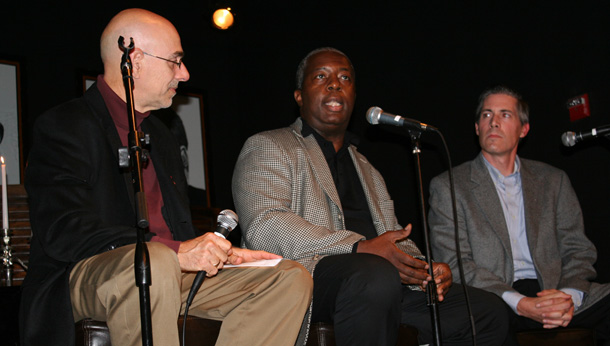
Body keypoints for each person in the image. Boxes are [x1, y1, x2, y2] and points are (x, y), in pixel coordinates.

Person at [19, 8, 312, 346]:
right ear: (136, 59)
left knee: (289, 278)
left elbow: (178, 236)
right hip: (87, 274)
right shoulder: (65, 125)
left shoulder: (161, 136)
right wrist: (174, 252)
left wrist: (220, 254)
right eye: (176, 60)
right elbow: (64, 231)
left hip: (168, 268)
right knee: (153, 262)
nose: (185, 74)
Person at [232, 47, 510, 346]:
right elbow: (264, 226)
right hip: (305, 279)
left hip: (380, 287)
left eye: (345, 78)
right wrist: (358, 247)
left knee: (487, 311)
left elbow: (392, 238)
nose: (335, 83)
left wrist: (422, 269)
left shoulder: (367, 168)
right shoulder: (269, 146)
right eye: (321, 76)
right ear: (299, 96)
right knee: (372, 273)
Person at [428, 85, 610, 343]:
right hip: (495, 296)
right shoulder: (448, 186)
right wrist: (521, 303)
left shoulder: (553, 180)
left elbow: (578, 250)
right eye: (486, 115)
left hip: (555, 290)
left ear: (523, 129)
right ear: (477, 128)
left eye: (505, 115)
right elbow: (455, 263)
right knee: (485, 316)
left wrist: (567, 297)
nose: (493, 122)